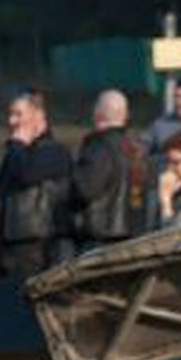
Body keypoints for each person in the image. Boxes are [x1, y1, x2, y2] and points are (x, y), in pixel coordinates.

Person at [0, 89, 73, 281]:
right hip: (4, 249)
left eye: (18, 114)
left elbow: (27, 175)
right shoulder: (15, 154)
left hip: (34, 249)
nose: (11, 121)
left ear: (38, 115)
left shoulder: (53, 151)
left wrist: (17, 146)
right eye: (10, 114)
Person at [71, 89, 152, 250]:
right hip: (134, 238)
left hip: (100, 241)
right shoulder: (136, 149)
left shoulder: (98, 148)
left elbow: (85, 190)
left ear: (98, 113)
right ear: (126, 114)